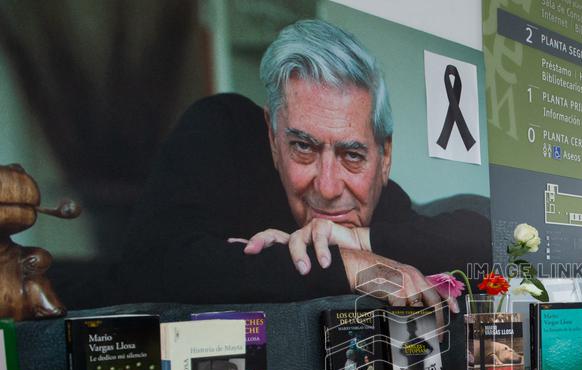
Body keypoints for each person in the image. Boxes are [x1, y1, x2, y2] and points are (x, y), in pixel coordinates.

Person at [127, 19, 490, 308]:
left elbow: (487, 244)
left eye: (352, 155)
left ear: (384, 158)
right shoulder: (224, 130)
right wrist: (350, 266)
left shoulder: (380, 199)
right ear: (271, 138)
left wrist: (355, 240)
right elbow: (152, 264)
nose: (329, 187)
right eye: (303, 147)